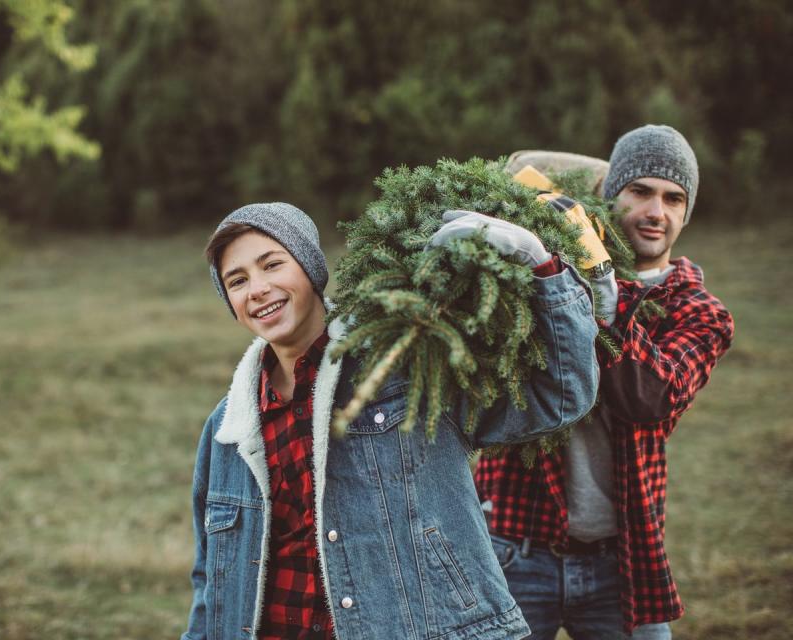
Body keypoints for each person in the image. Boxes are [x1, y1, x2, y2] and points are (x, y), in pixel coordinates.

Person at [182, 202, 600, 640]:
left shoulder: (403, 364)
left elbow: (559, 397)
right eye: (238, 281)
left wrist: (541, 267)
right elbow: (211, 579)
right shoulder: (228, 428)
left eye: (272, 265)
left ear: (310, 267)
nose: (258, 289)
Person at [475, 124, 735, 639]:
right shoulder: (544, 271)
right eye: (639, 191)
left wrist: (603, 292)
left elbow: (650, 397)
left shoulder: (699, 311)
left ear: (687, 211)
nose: (655, 212)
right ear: (610, 195)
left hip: (622, 559)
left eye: (673, 198)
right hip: (511, 547)